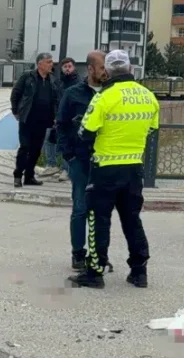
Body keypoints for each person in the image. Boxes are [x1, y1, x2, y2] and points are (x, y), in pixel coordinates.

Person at [68, 49, 159, 290]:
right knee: (132, 220)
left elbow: (84, 133)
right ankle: (139, 272)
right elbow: (152, 130)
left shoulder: (104, 97)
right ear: (130, 69)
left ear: (107, 71)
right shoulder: (148, 96)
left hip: (105, 168)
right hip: (133, 169)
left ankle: (95, 272)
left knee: (99, 219)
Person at [56, 50, 107, 271]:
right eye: (103, 67)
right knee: (80, 208)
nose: (106, 72)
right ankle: (78, 253)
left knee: (101, 210)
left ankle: (97, 255)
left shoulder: (111, 92)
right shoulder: (73, 93)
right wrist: (69, 155)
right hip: (80, 159)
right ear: (91, 68)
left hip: (106, 160)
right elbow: (62, 124)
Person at [10, 52, 61, 188]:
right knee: (25, 147)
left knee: (36, 150)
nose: (52, 64)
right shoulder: (28, 76)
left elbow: (56, 100)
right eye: (49, 62)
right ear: (40, 64)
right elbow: (16, 93)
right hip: (27, 119)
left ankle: (29, 176)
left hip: (43, 120)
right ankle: (17, 175)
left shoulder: (53, 80)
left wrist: (55, 116)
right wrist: (15, 110)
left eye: (51, 62)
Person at [40, 58, 79, 178]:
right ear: (61, 68)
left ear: (74, 67)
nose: (67, 69)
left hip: (71, 119)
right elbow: (55, 100)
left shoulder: (78, 83)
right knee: (49, 139)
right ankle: (51, 165)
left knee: (66, 143)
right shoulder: (59, 82)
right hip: (57, 117)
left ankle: (66, 170)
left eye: (69, 66)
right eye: (65, 66)